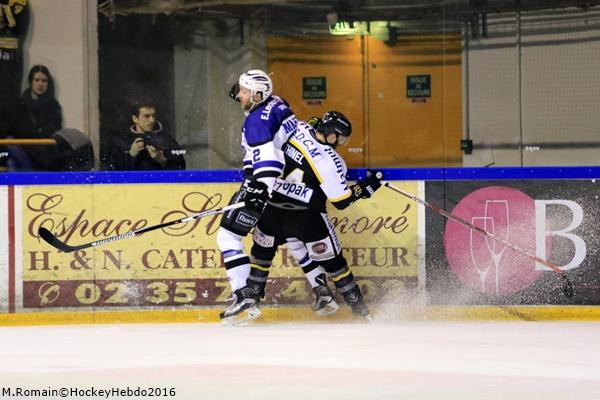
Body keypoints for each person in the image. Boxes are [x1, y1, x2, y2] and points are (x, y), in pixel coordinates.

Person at [246, 111, 384, 319]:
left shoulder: (299, 128)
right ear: (332, 135)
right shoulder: (331, 161)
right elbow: (341, 201)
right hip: (307, 217)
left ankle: (249, 301)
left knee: (261, 255)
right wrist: (367, 186)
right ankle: (360, 310)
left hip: (273, 208)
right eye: (341, 139)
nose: (341, 143)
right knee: (335, 264)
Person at [217, 69, 298, 324]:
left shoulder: (256, 122)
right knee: (296, 239)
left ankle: (244, 296)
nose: (239, 94)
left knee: (227, 236)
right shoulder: (277, 103)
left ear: (257, 95)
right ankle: (322, 291)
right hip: (286, 187)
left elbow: (269, 161)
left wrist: (258, 191)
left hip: (261, 187)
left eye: (244, 91)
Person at [102, 102, 186, 170]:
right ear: (135, 118)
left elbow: (180, 168)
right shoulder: (121, 142)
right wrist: (130, 155)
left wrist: (163, 160)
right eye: (146, 116)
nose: (152, 120)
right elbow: (112, 172)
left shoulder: (166, 140)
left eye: (153, 116)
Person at [10, 64, 63, 170]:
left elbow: (55, 130)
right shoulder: (20, 105)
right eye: (37, 80)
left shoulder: (53, 106)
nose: (40, 84)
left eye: (44, 81)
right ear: (31, 82)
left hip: (45, 153)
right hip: (24, 151)